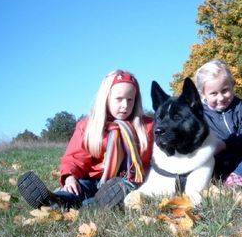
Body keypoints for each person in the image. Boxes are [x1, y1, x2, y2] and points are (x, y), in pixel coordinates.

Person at [18, 70, 153, 209]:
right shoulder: (89, 126)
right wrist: (70, 178)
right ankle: (56, 201)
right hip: (93, 180)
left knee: (123, 190)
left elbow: (157, 158)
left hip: (125, 181)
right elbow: (75, 157)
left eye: (130, 99)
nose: (125, 105)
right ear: (106, 98)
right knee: (78, 187)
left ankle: (94, 204)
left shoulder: (147, 127)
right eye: (119, 99)